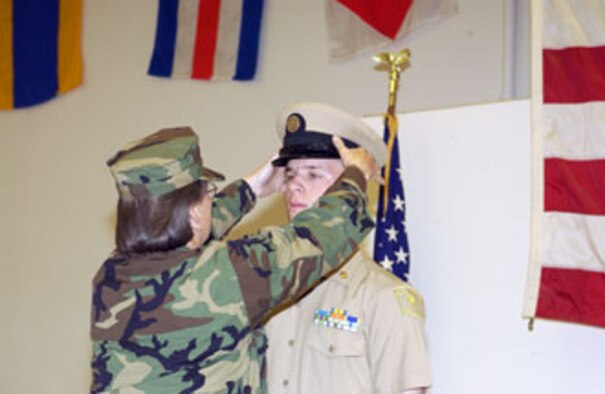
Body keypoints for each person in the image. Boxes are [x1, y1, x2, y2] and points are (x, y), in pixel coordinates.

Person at [90, 125, 379, 393]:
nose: (210, 204)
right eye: (207, 195)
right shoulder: (227, 275)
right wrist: (354, 174)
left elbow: (179, 232)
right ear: (192, 211)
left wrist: (250, 190)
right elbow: (320, 235)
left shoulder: (112, 276)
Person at [264, 102, 431, 393]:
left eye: (314, 174)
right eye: (290, 175)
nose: (294, 187)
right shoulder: (268, 286)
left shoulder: (385, 297)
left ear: (352, 187)